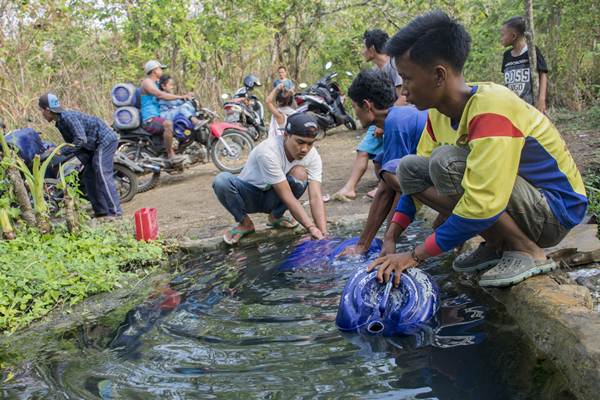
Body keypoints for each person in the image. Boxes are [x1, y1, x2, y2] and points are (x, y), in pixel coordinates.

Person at [367, 11, 587, 288]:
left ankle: (527, 250)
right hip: (518, 204)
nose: (404, 92)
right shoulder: (438, 114)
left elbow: (482, 202)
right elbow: (413, 183)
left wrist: (415, 256)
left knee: (446, 162)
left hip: (554, 211)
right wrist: (391, 237)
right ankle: (498, 243)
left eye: (407, 79)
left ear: (438, 75)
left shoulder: (492, 108)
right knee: (409, 167)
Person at [338, 69, 428, 256]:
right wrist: (362, 246)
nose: (356, 114)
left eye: (355, 107)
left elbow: (399, 189)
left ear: (366, 105)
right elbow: (385, 189)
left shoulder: (396, 125)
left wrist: (390, 239)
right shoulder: (395, 119)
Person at [212, 113, 327, 245]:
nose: (304, 149)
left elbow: (316, 196)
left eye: (310, 144)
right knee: (222, 180)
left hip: (273, 198)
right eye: (300, 142)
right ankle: (245, 223)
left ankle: (275, 217)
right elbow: (287, 196)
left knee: (300, 174)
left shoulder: (313, 156)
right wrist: (311, 227)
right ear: (286, 135)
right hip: (249, 197)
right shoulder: (268, 151)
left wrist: (323, 235)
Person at [332, 28, 405, 202]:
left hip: (390, 116)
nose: (363, 51)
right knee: (366, 150)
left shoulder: (393, 66)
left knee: (380, 152)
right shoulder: (378, 70)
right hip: (381, 117)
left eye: (364, 47)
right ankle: (355, 187)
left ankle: (382, 187)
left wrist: (386, 122)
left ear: (372, 49)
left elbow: (403, 96)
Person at [38, 93, 122, 218]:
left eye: (41, 111)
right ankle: (101, 211)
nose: (42, 115)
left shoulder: (67, 117)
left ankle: (115, 212)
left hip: (104, 140)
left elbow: (80, 139)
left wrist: (61, 151)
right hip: (91, 146)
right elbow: (75, 143)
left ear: (47, 110)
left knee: (102, 172)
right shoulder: (60, 122)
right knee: (88, 176)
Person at [140, 60, 188, 163]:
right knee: (168, 124)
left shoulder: (156, 83)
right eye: (160, 68)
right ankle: (170, 154)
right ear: (154, 71)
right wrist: (181, 96)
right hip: (150, 118)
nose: (161, 71)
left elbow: (166, 93)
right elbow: (160, 95)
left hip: (158, 116)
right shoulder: (147, 82)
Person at [500, 16, 549, 113]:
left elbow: (543, 74)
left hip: (529, 106)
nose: (501, 39)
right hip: (512, 106)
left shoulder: (532, 52)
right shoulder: (506, 56)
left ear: (513, 36)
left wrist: (541, 99)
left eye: (502, 35)